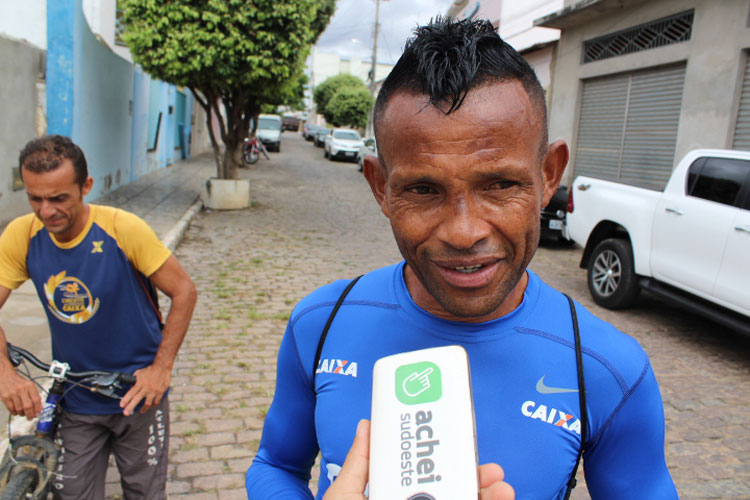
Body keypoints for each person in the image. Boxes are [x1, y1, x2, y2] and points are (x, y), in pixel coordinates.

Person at [246, 18, 678, 499]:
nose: (464, 232)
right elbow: (276, 466)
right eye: (424, 189)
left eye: (500, 185)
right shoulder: (319, 323)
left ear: (549, 176)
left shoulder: (607, 368)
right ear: (380, 187)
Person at [0, 135, 197, 499]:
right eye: (35, 198)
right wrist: (5, 374)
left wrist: (161, 368)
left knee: (144, 493)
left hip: (139, 394)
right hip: (75, 398)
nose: (46, 211)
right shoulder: (22, 236)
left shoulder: (123, 229)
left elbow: (184, 291)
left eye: (59, 198)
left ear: (86, 186)